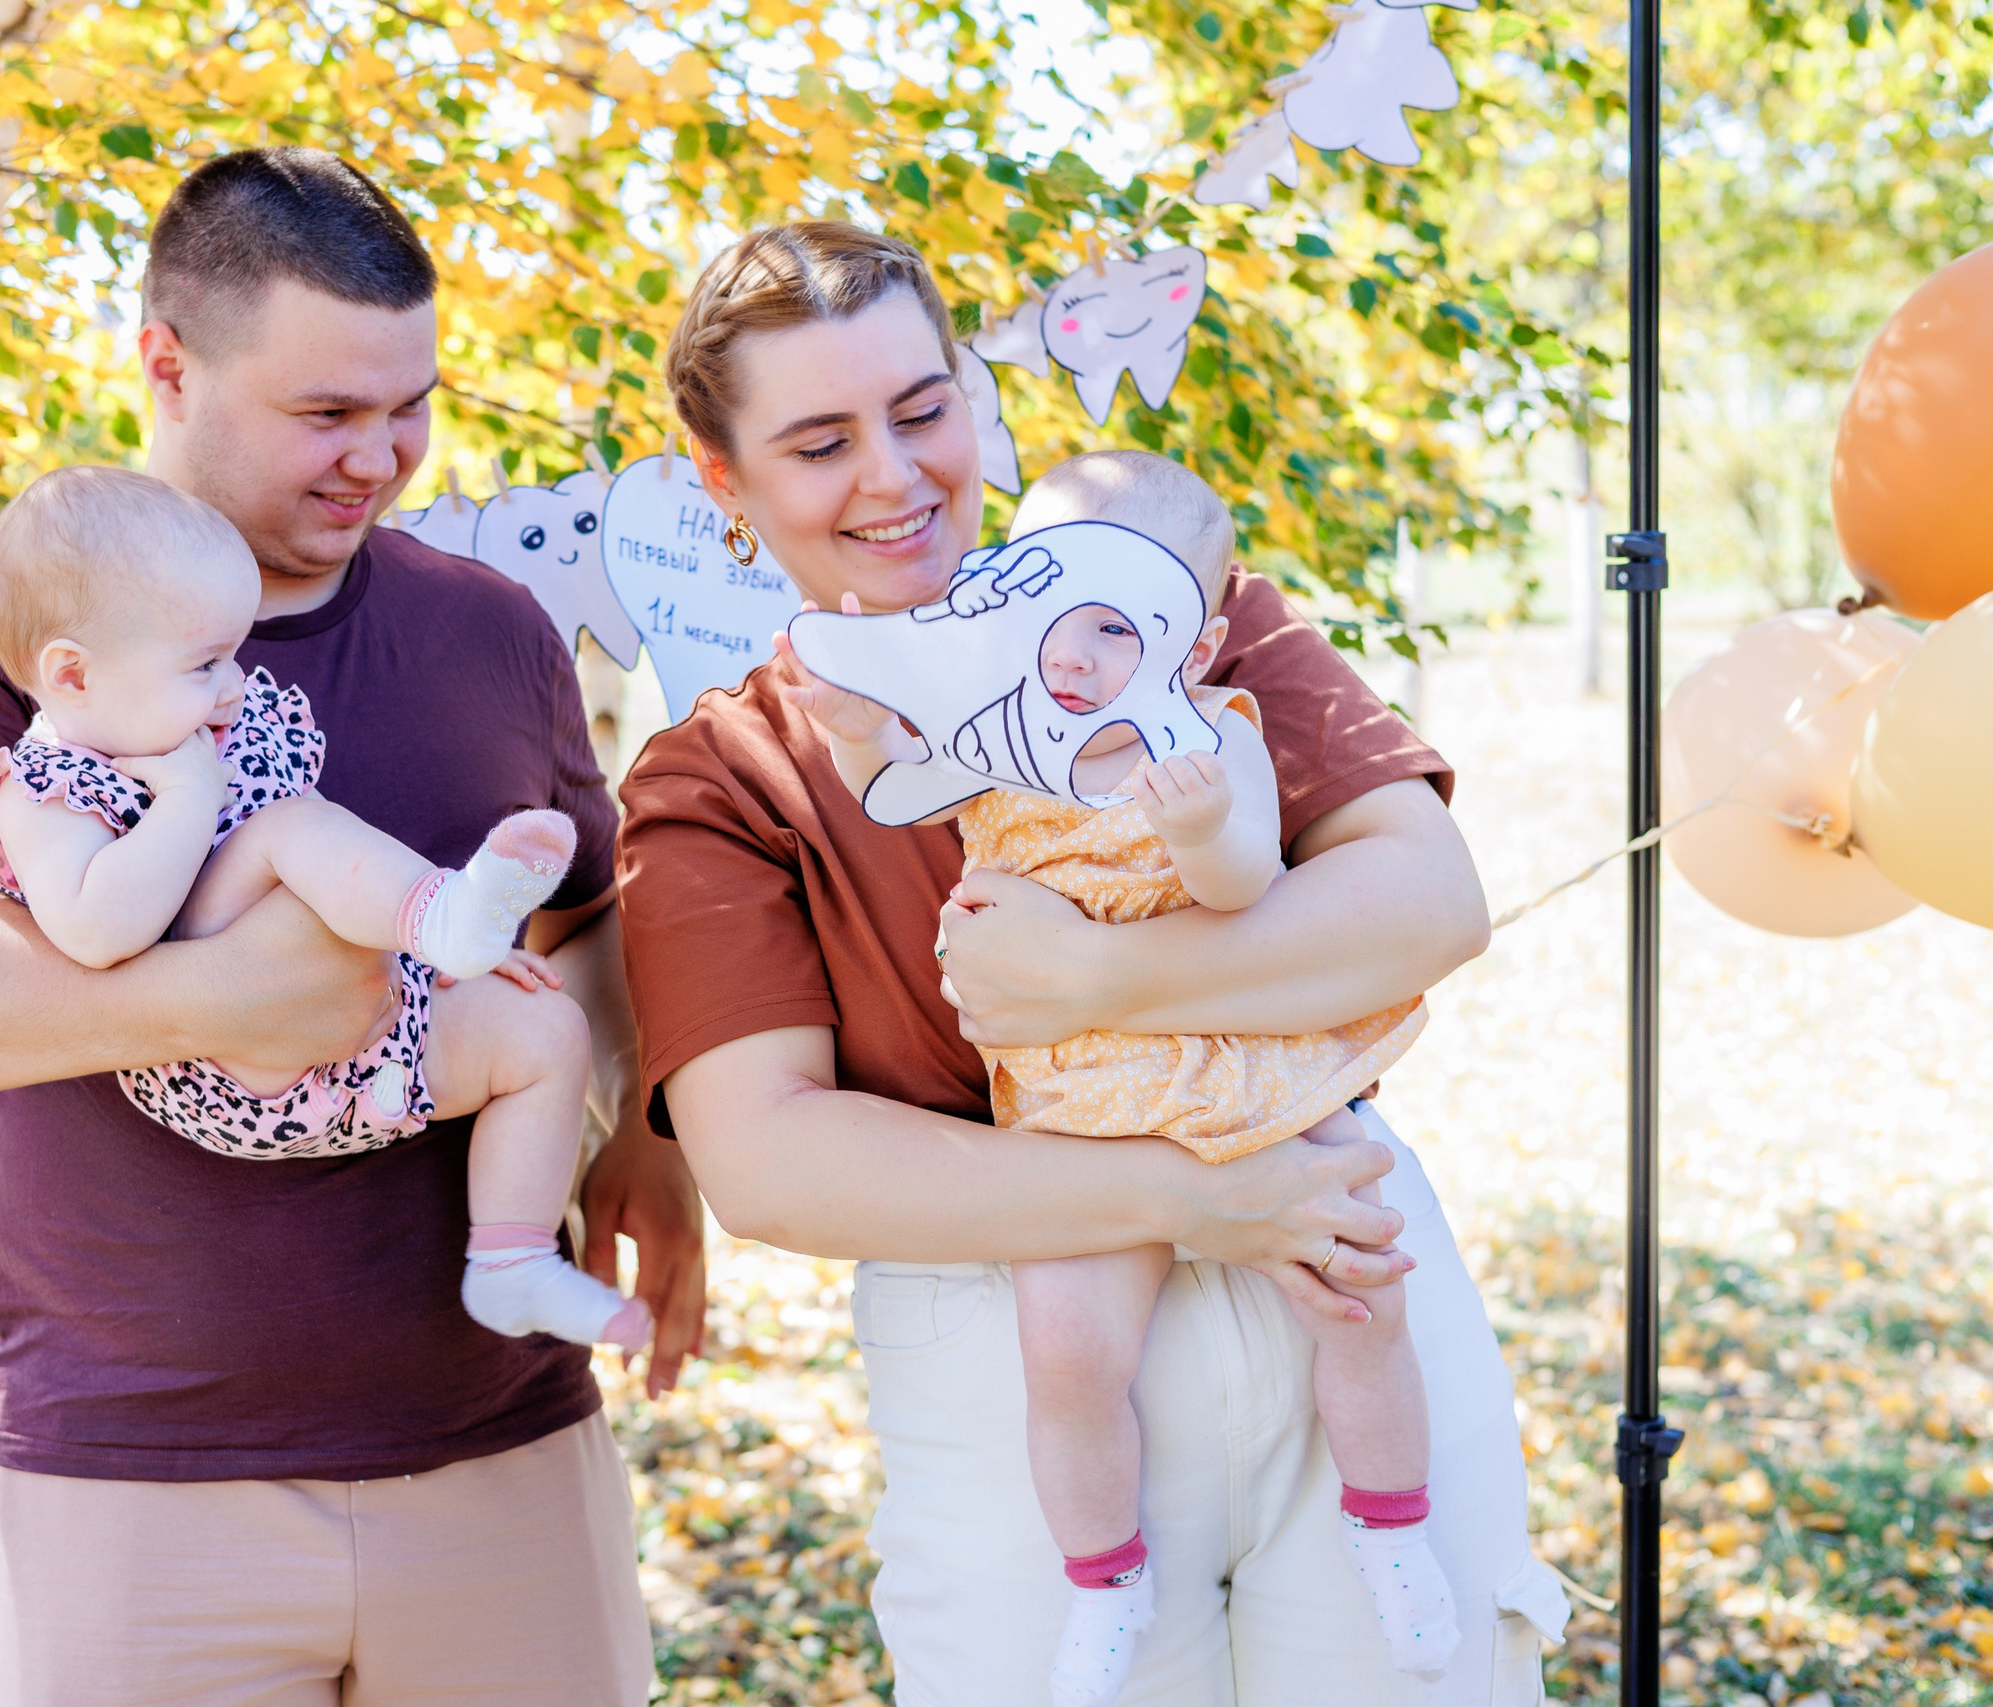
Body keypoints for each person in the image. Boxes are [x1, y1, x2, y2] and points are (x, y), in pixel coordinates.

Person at [0, 148, 702, 1706]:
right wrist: (223, 998)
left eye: (410, 405)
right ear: (166, 363)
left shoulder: (490, 626)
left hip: (503, 1441)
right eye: (327, 415)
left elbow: (590, 923)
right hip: (134, 1470)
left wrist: (648, 1132)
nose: (384, 457)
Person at [614, 222, 1568, 1703]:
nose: (892, 473)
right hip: (1027, 1338)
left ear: (978, 403)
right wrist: (1198, 1196)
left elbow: (1425, 902)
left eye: (924, 408)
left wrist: (1104, 982)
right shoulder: (721, 778)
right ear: (723, 483)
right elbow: (774, 1164)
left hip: (1339, 1262)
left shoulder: (1167, 599)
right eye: (818, 441)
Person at [788, 451, 1449, 1705]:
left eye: (1110, 626)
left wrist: (1198, 818)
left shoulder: (1212, 739)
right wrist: (860, 727)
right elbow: (890, 789)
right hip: (1081, 1112)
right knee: (1069, 1351)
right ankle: (1104, 1578)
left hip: (1236, 1072)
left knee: (1359, 1288)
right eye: (1047, 616)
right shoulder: (998, 743)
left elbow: (1242, 880)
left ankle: (1390, 1524)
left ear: (1190, 647)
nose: (1072, 655)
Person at [0, 464, 650, 1350]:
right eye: (203, 664)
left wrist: (438, 965)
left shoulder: (199, 726)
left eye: (232, 656)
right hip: (213, 1067)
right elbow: (98, 933)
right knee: (289, 828)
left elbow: (319, 905)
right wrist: (188, 798)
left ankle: (511, 1262)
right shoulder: (46, 788)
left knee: (544, 1032)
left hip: (354, 1050)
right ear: (73, 675)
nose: (233, 685)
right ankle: (442, 912)